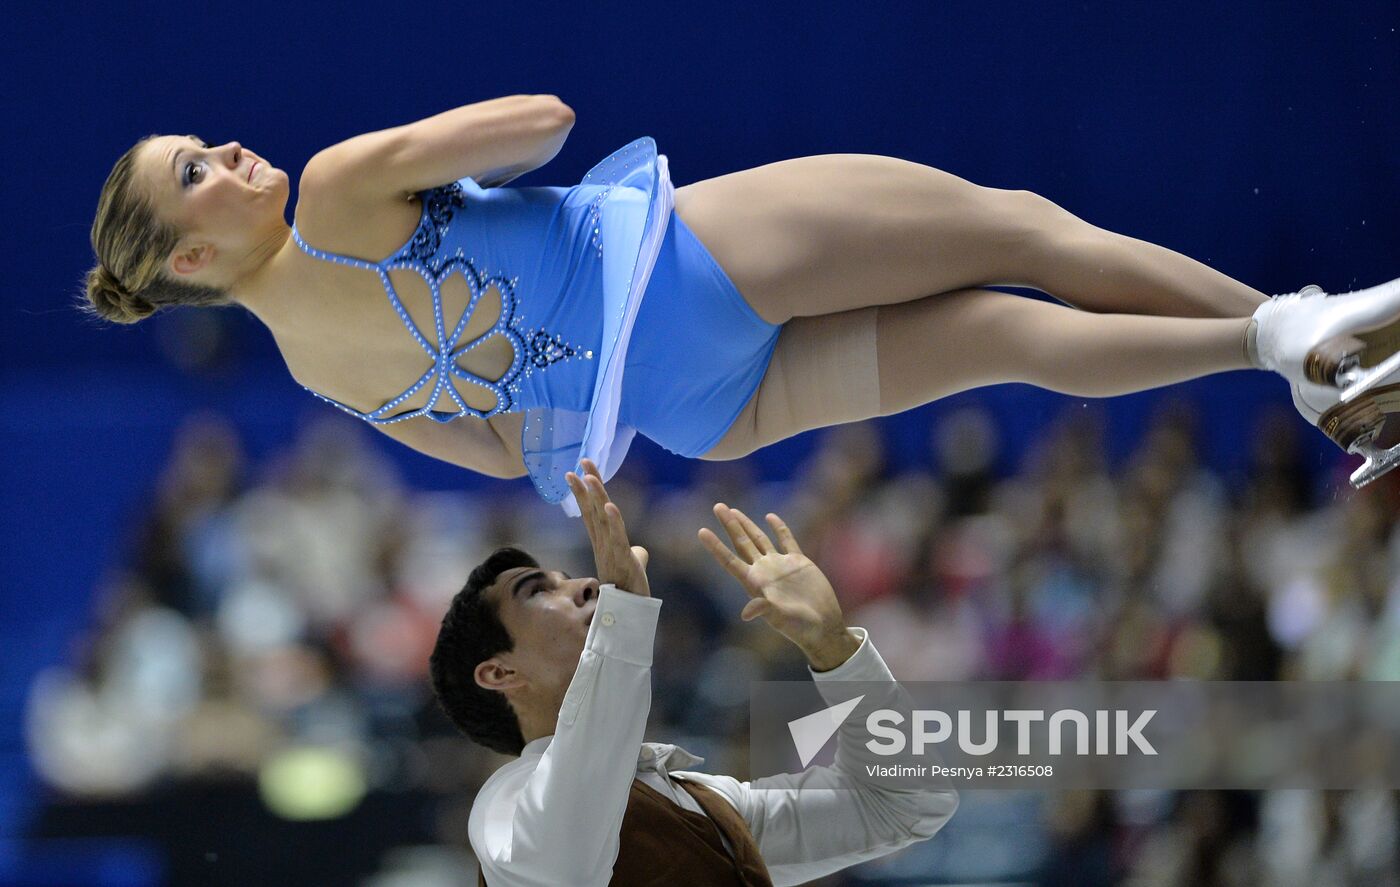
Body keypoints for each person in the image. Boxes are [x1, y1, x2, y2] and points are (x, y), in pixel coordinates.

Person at [84, 95, 1400, 509]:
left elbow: (517, 455)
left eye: (207, 144)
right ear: (186, 259)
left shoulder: (318, 379)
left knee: (1010, 338)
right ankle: (1296, 328)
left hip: (690, 409)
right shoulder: (334, 189)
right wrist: (444, 181)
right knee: (1025, 232)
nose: (232, 158)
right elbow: (544, 122)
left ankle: (1286, 361)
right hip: (679, 263)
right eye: (196, 175)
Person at [428, 460, 959, 885]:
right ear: (499, 673)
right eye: (538, 591)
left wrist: (836, 650)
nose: (585, 584)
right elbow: (566, 862)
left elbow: (905, 803)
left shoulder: (709, 802)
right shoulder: (504, 804)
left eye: (568, 576)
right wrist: (623, 620)